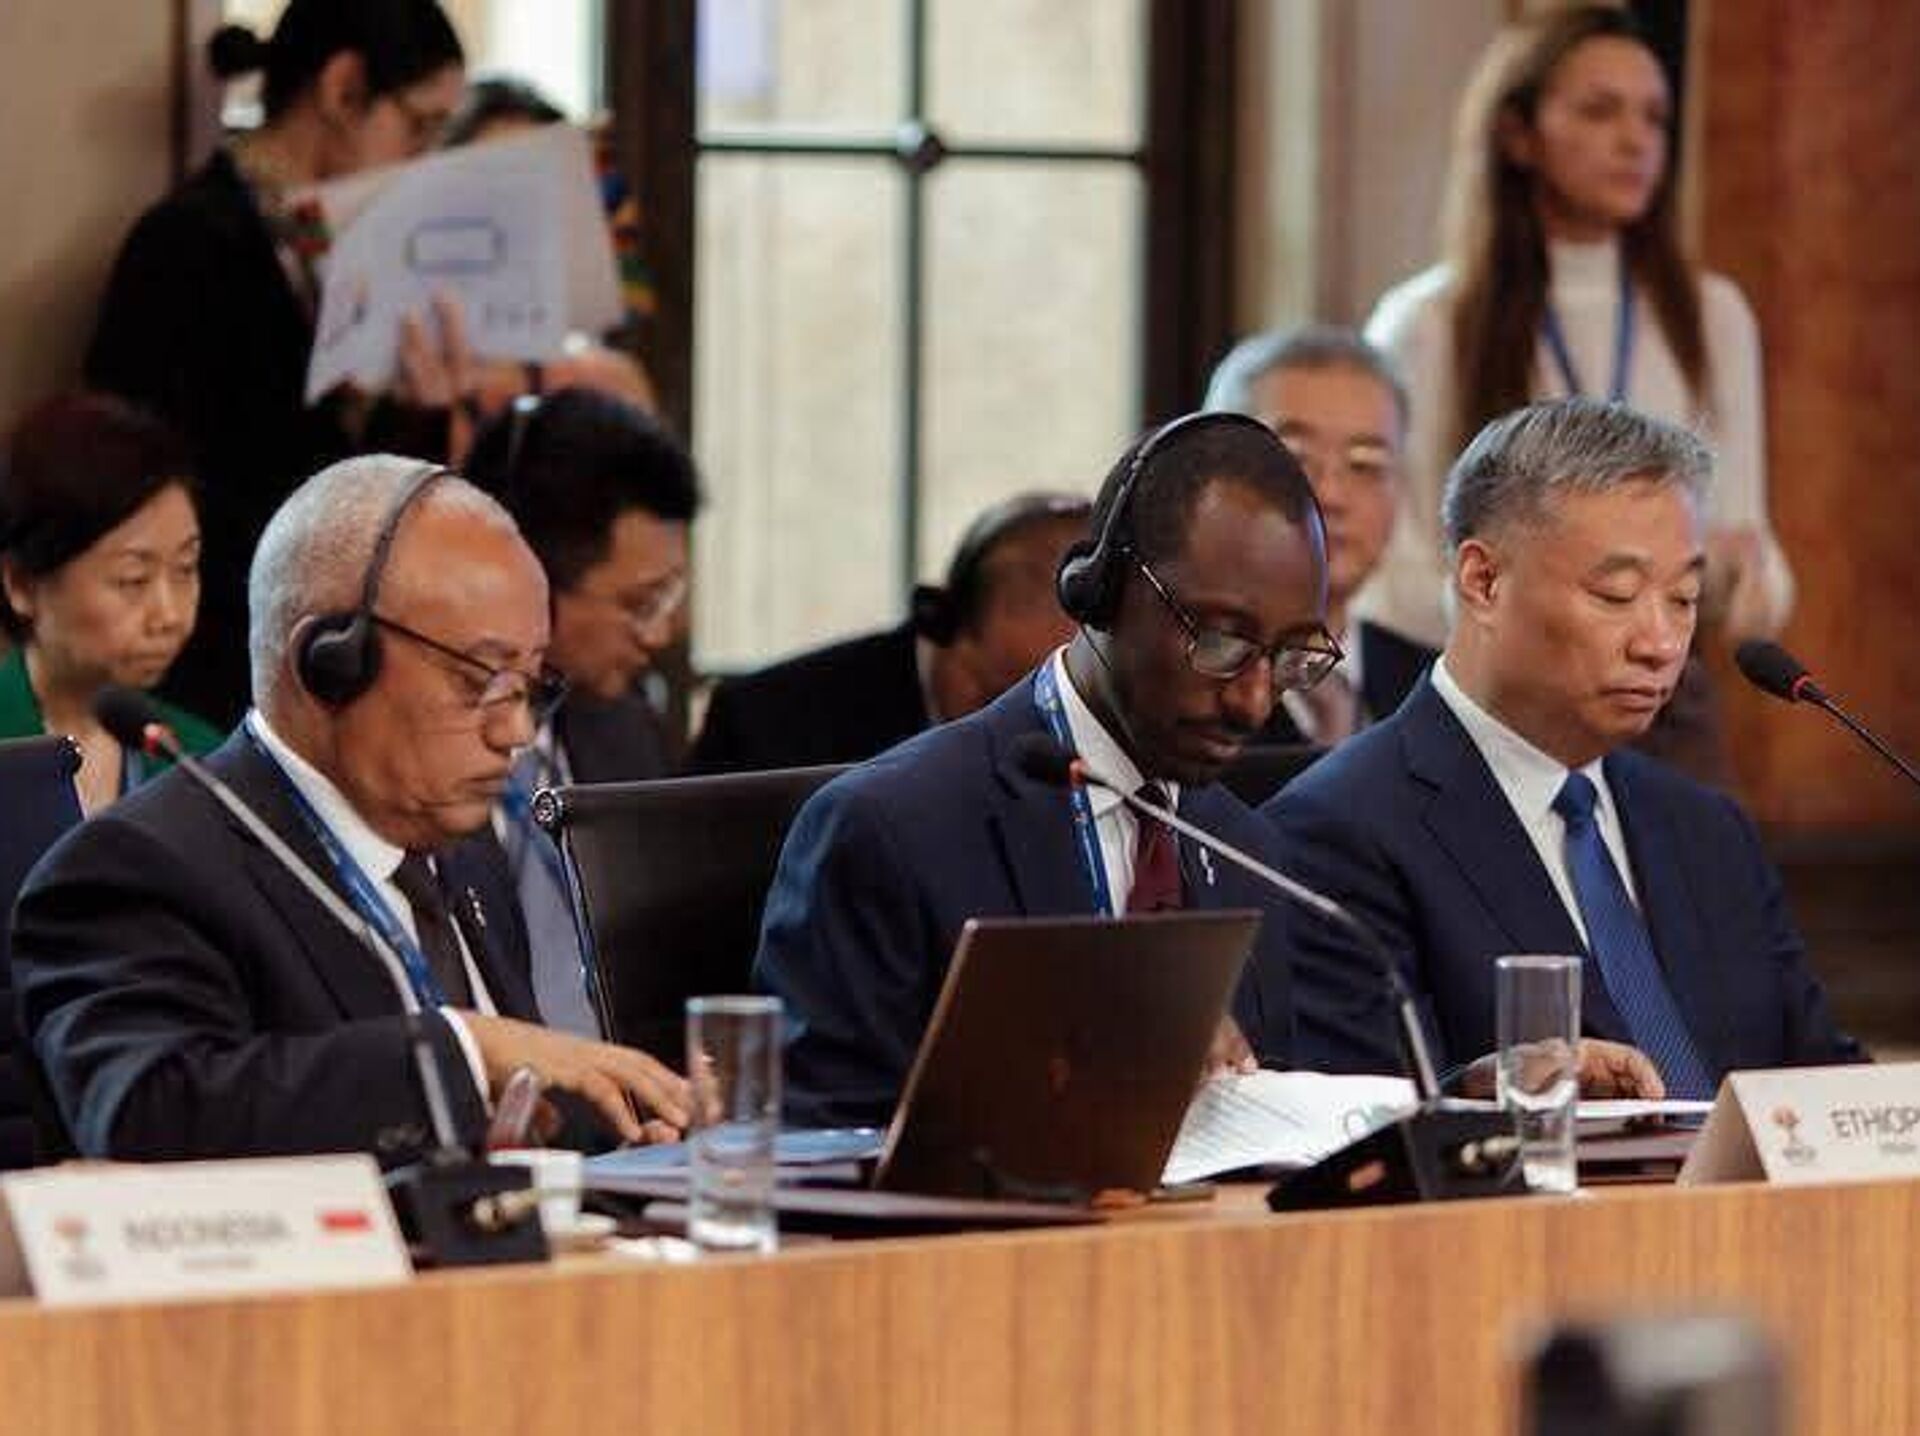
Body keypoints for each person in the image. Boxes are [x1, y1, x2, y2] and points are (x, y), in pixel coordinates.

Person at [11, 456, 689, 1163]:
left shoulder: (468, 856)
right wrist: (461, 1047)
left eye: (531, 685)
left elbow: (514, 1109)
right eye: (481, 680)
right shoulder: (136, 869)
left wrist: (639, 1121)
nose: (515, 730)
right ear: (329, 664)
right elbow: (148, 1115)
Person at [752, 413, 1378, 1126]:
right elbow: (816, 1149)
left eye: (1290, 657)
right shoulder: (888, 830)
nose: (1254, 701)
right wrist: (1097, 1077)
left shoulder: (1248, 853)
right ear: (1103, 594)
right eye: (1220, 643)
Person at [1263, 399, 1860, 1095]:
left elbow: (1826, 1086)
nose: (1661, 643)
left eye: (1684, 597)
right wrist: (1493, 1090)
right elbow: (1361, 1125)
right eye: (1617, 594)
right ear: (1483, 581)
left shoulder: (1709, 830)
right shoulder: (1335, 830)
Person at [1363, 6, 1790, 779]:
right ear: (1518, 135)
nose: (1636, 141)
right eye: (1600, 111)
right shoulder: (1426, 323)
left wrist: (1733, 578)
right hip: (1498, 713)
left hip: (1659, 706)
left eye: (1654, 118)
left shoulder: (1711, 314)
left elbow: (1751, 556)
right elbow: (1391, 575)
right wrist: (1544, 617)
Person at [85, 0, 474, 726]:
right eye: (418, 127)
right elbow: (178, 489)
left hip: (315, 647)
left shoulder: (338, 246)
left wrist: (418, 413)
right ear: (344, 90)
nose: (424, 162)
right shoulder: (189, 244)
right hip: (216, 662)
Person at [465, 388, 702, 1034]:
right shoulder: (431, 751)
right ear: (531, 580)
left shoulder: (628, 733)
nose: (661, 634)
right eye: (641, 604)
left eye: (672, 595)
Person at [689, 491, 1092, 774]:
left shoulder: (1085, 741)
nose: (1010, 722)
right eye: (994, 694)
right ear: (944, 621)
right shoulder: (768, 724)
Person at [1203, 326, 1435, 746]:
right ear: (1214, 477)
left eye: (1364, 464)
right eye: (1295, 457)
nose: (1329, 494)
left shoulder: (1434, 691)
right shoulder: (1180, 686)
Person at [1, 393, 221, 813]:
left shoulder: (199, 759)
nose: (169, 615)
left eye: (185, 568)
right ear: (21, 585)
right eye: (132, 579)